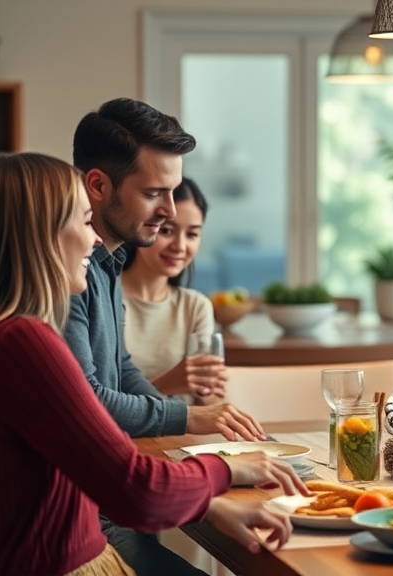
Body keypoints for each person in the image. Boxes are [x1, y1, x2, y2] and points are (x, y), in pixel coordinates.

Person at [0, 153, 309, 576]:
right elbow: (139, 492)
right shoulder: (20, 344)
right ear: (40, 235)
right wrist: (229, 465)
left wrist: (207, 505)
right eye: (85, 222)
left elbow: (87, 474)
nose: (93, 241)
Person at [65, 97, 268, 575]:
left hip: (108, 510)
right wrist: (188, 417)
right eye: (156, 192)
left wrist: (193, 415)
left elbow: (122, 370)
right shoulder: (71, 274)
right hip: (92, 522)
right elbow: (89, 399)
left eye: (173, 192)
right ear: (98, 185)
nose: (168, 211)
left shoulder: (109, 263)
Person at [121, 176, 224, 405]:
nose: (180, 246)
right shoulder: (103, 297)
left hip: (184, 436)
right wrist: (167, 383)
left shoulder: (195, 307)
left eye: (192, 234)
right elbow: (98, 403)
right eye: (167, 231)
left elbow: (206, 399)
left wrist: (211, 395)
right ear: (145, 226)